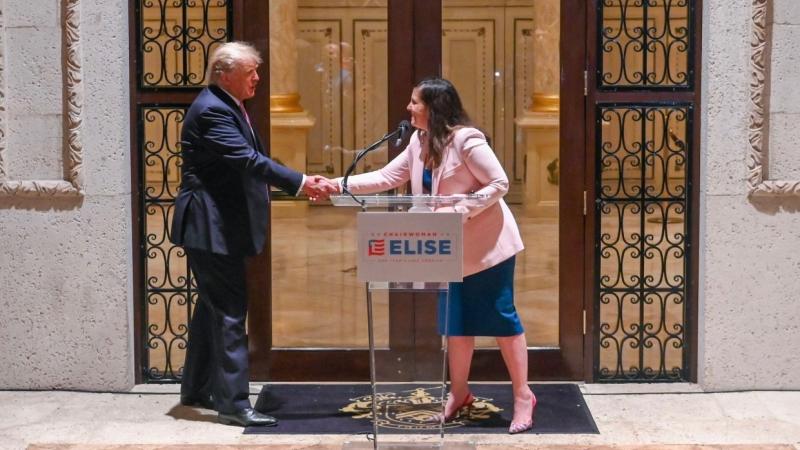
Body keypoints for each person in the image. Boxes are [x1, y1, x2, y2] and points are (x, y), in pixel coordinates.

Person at [334, 77, 536, 434]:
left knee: (501, 318)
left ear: (434, 107)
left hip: (487, 247)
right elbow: (386, 176)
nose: (408, 108)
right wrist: (337, 185)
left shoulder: (467, 140)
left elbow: (499, 183)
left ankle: (523, 395)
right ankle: (459, 393)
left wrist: (459, 210)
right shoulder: (419, 141)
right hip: (446, 249)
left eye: (415, 102)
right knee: (455, 323)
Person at [170, 41, 336, 427]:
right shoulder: (213, 110)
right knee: (229, 311)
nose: (258, 79)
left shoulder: (223, 103)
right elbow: (247, 161)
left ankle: (195, 389)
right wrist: (300, 181)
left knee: (211, 306)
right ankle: (234, 404)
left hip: (216, 225)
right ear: (224, 74)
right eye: (251, 73)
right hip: (209, 225)